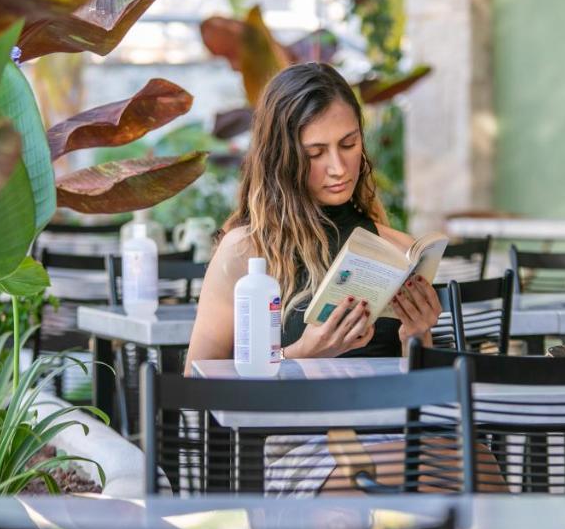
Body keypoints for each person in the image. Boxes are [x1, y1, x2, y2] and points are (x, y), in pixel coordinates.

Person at [186, 62, 443, 369]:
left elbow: (427, 397)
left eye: (349, 144)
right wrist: (302, 355)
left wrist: (417, 337)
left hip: (382, 415)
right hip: (296, 418)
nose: (338, 167)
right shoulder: (245, 250)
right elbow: (198, 379)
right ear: (282, 158)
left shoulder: (399, 250)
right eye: (315, 153)